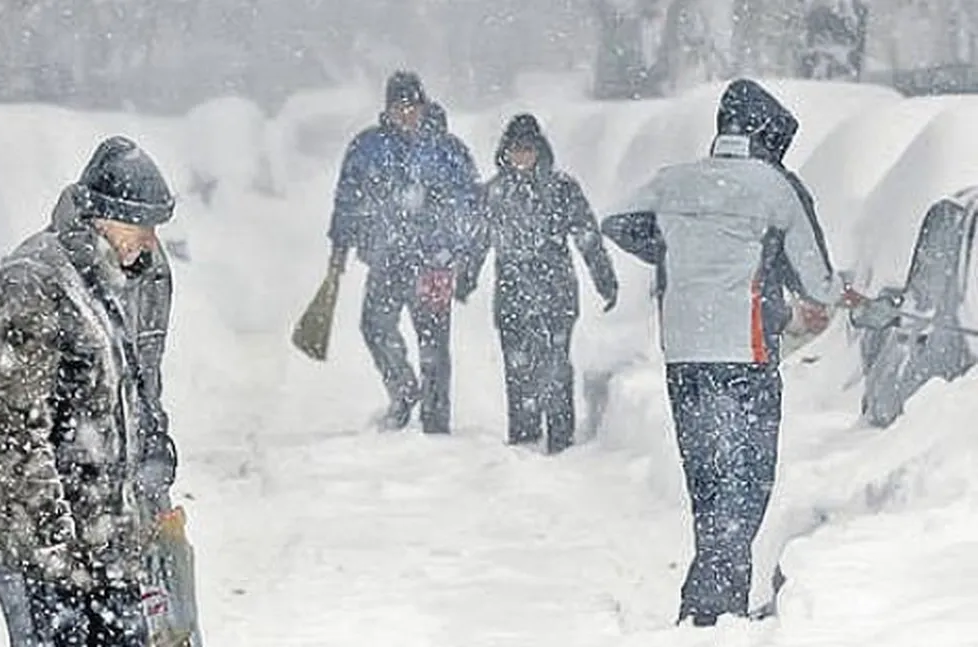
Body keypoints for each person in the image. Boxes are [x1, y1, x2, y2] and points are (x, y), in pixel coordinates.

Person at [601, 79, 866, 627]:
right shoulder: (774, 187)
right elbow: (816, 283)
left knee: (706, 477)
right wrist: (838, 293)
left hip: (683, 356)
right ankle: (711, 609)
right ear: (769, 135)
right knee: (746, 479)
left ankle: (714, 601)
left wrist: (681, 253)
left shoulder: (672, 182)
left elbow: (619, 223)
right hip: (743, 355)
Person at [0, 136, 183, 646]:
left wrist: (152, 483)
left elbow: (140, 394)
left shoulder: (130, 278)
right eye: (140, 225)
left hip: (108, 542)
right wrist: (55, 551)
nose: (149, 241)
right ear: (100, 215)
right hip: (39, 549)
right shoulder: (34, 285)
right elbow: (8, 435)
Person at [326, 70, 480, 434]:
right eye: (399, 106)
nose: (406, 113)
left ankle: (436, 420)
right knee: (375, 326)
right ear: (388, 109)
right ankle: (403, 388)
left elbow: (471, 202)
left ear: (424, 106)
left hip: (434, 264)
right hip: (387, 258)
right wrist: (340, 245)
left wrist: (458, 249)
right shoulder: (368, 147)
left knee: (435, 343)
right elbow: (347, 198)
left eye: (412, 105)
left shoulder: (448, 149)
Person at [458, 114, 618, 454]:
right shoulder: (493, 193)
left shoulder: (562, 189)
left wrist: (605, 279)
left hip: (556, 292)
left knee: (556, 364)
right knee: (518, 368)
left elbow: (587, 236)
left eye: (528, 149)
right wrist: (465, 279)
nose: (522, 157)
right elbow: (476, 242)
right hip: (512, 294)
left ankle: (561, 436)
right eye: (516, 149)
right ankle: (525, 435)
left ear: (540, 150)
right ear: (505, 152)